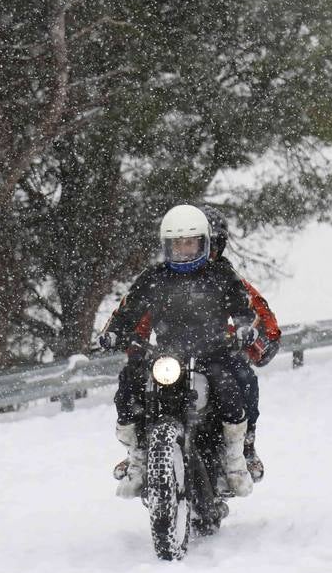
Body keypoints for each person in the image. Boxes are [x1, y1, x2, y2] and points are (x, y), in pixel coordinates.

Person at [98, 204, 260, 499]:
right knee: (129, 383)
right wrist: (113, 333)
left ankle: (234, 462)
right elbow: (128, 311)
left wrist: (244, 327)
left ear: (204, 242)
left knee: (230, 386)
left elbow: (243, 307)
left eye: (190, 242)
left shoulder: (221, 274)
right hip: (166, 355)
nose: (184, 250)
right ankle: (137, 459)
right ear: (166, 246)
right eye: (177, 244)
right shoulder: (154, 277)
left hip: (213, 352)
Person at [200, 205, 281, 482]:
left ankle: (246, 444)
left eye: (210, 244)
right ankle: (138, 448)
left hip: (217, 351)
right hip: (172, 352)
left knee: (245, 378)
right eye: (198, 243)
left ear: (219, 245)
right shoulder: (165, 277)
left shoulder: (226, 276)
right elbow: (139, 310)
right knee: (137, 382)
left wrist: (259, 337)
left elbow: (256, 310)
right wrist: (128, 338)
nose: (203, 251)